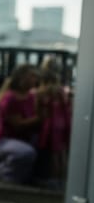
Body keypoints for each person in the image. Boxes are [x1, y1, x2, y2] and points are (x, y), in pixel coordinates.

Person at [0, 64, 43, 184]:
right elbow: (18, 124)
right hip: (5, 140)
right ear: (22, 78)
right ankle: (4, 171)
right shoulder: (10, 98)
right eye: (32, 76)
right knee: (26, 153)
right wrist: (41, 118)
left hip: (25, 139)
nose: (35, 80)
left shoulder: (31, 96)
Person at [36, 57, 72, 189]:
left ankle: (53, 179)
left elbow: (39, 111)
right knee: (60, 153)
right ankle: (61, 178)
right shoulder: (61, 89)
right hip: (63, 123)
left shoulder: (42, 90)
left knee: (52, 153)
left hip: (50, 124)